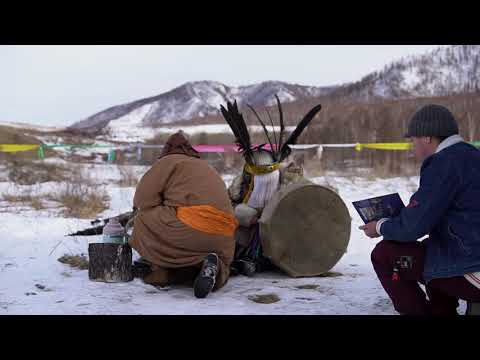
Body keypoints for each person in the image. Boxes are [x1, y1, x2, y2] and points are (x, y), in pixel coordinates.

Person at [359, 104, 480, 315]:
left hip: (470, 267)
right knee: (429, 248)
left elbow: (412, 228)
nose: (412, 145)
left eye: (413, 139)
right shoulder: (471, 155)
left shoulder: (444, 163)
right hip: (469, 253)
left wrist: (379, 226)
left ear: (427, 137)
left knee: (384, 254)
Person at [129, 131, 238, 298]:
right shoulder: (205, 166)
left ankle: (158, 266)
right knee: (190, 238)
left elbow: (142, 200)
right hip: (224, 236)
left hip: (192, 228)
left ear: (167, 150)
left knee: (143, 218)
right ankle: (210, 264)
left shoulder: (167, 162)